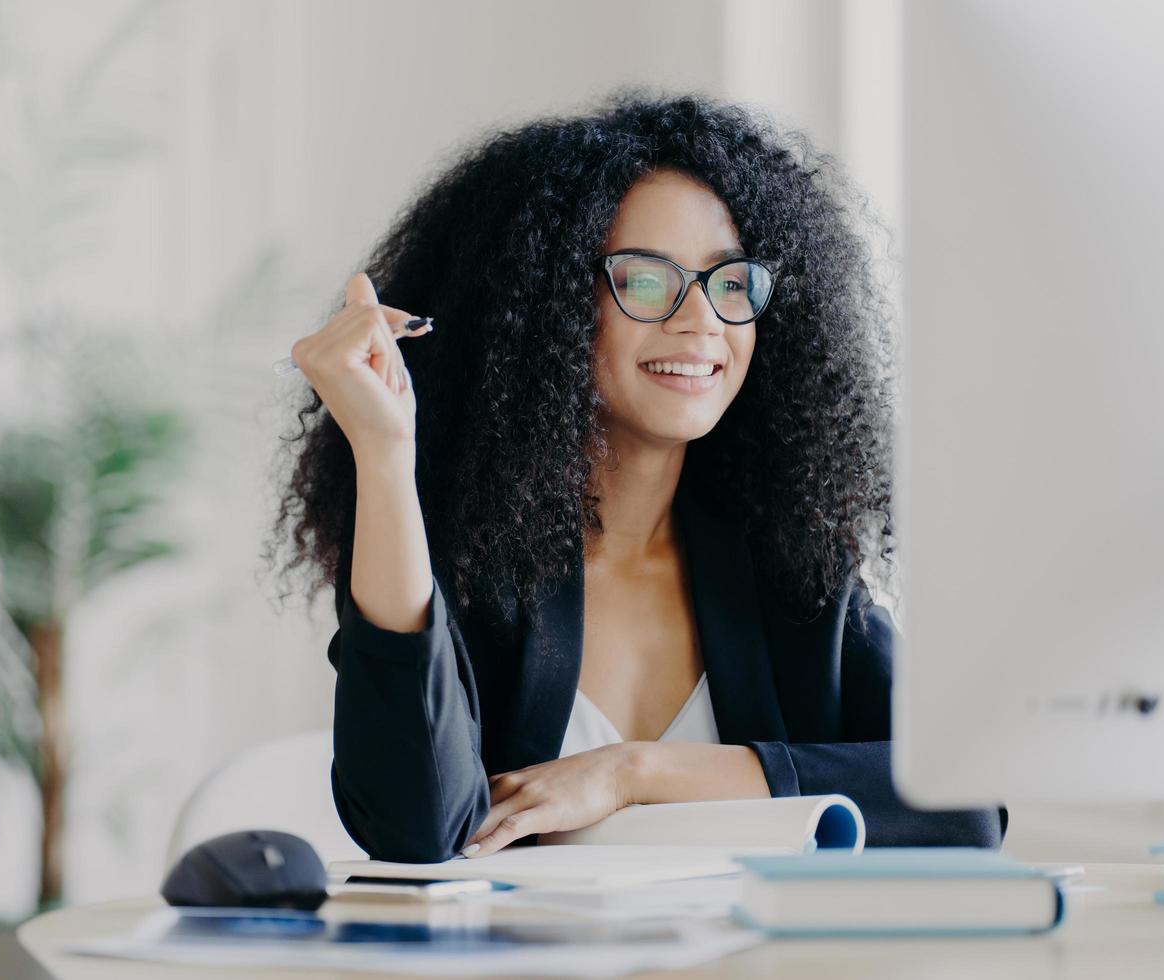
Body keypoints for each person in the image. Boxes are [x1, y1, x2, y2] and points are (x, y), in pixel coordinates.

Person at [266, 88, 1006, 863]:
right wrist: (384, 456)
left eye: (729, 283)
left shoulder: (791, 565)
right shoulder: (456, 557)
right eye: (646, 279)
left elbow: (963, 805)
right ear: (545, 303)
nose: (702, 322)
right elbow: (414, 828)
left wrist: (635, 772)